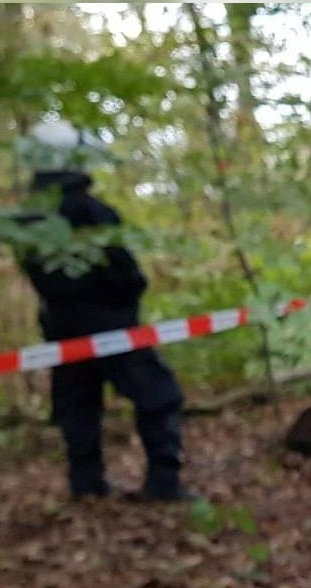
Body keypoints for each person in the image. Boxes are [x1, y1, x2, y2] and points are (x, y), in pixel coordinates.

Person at [13, 119, 191, 502]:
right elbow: (123, 269)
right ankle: (163, 484)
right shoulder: (92, 212)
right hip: (111, 326)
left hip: (61, 329)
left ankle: (86, 485)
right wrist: (127, 293)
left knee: (78, 405)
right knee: (159, 396)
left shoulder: (26, 218)